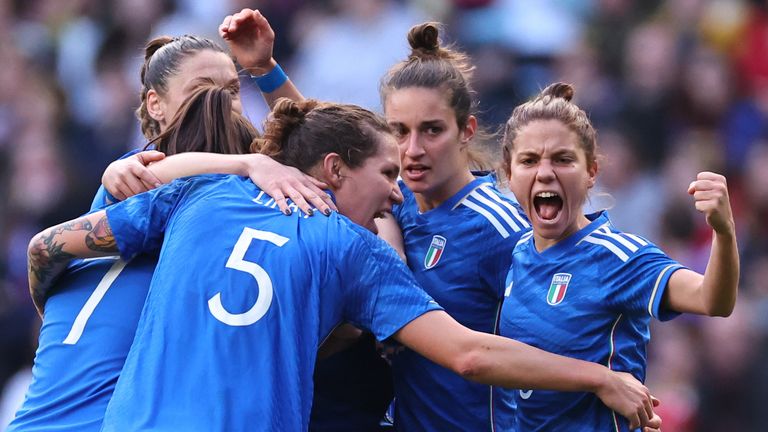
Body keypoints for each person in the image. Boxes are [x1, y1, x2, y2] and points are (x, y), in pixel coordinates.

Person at [26, 97, 659, 432]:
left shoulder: (201, 193)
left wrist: (43, 294)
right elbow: (469, 354)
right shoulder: (350, 250)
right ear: (334, 170)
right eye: (386, 174)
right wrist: (597, 378)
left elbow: (48, 248)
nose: (396, 193)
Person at [7, 31, 324, 431]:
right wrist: (247, 164)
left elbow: (326, 151)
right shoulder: (135, 177)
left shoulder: (155, 180)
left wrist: (266, 71)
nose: (220, 101)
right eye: (200, 89)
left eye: (231, 89)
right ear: (154, 103)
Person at [495, 82, 739, 431]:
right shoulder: (514, 253)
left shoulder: (618, 257)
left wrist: (724, 232)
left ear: (592, 171)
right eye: (529, 160)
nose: (545, 172)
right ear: (509, 173)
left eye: (563, 159)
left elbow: (713, 300)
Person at [374, 22, 531, 431]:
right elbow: (327, 145)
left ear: (466, 130)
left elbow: (561, 327)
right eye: (399, 131)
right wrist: (268, 71)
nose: (413, 150)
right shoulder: (396, 195)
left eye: (432, 130)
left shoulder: (498, 228)